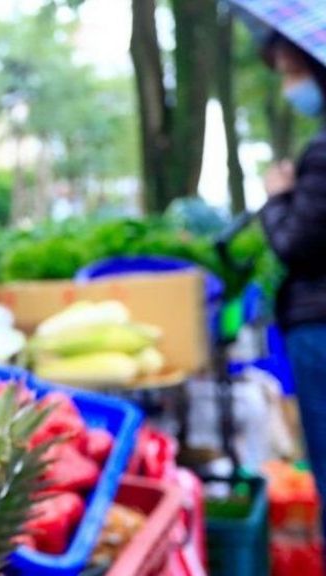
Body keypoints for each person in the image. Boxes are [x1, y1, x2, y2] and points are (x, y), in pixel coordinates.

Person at [260, 32, 326, 532]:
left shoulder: (321, 152)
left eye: (293, 72)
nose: (289, 87)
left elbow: (295, 245)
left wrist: (278, 197)